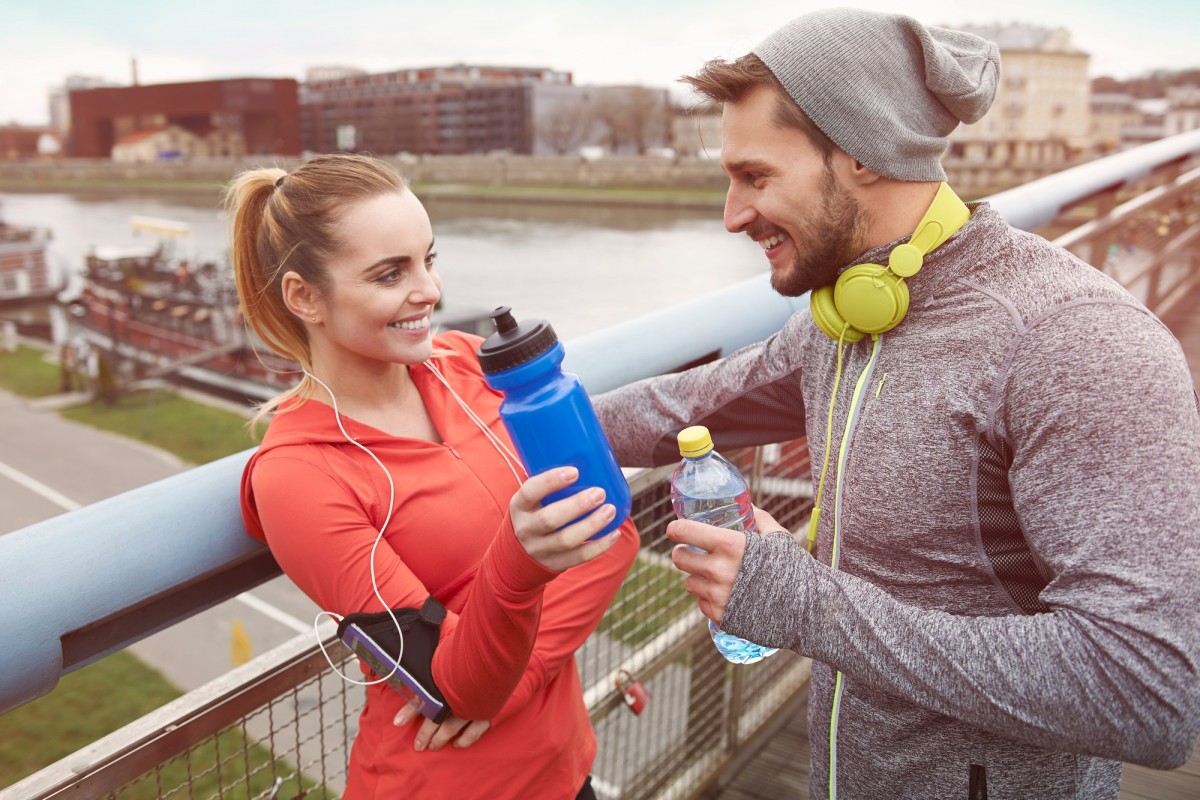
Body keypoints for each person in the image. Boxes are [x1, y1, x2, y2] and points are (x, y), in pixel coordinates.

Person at [593, 9, 1200, 799]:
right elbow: (682, 406)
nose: (732, 214)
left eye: (755, 176)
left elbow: (1146, 694)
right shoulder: (851, 311)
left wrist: (803, 604)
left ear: (861, 155)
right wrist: (476, 404)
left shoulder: (1076, 342)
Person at [225, 153, 639, 800]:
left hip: (563, 769)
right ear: (306, 297)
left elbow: (613, 532)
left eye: (429, 259)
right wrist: (523, 564)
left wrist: (503, 687)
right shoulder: (299, 476)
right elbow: (454, 686)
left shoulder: (471, 363)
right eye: (391, 274)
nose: (430, 292)